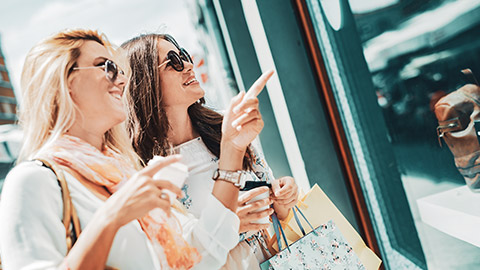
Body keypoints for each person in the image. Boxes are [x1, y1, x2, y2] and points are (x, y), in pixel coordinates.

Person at [0, 29, 250, 270]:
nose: (121, 80)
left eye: (119, 70)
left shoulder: (124, 174)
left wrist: (232, 149)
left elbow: (201, 256)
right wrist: (111, 217)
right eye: (106, 67)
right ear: (66, 83)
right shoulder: (33, 180)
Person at [121, 33, 299, 269]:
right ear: (145, 83)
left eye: (183, 54)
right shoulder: (147, 170)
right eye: (172, 61)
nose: (187, 64)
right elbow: (173, 258)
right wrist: (226, 223)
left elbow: (277, 212)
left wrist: (284, 198)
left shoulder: (223, 128)